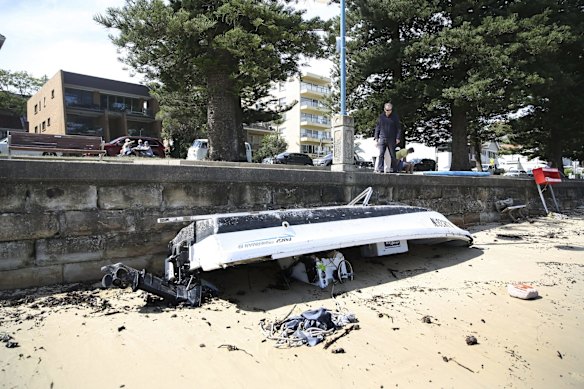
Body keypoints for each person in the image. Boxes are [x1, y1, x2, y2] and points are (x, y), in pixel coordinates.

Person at [373, 102, 401, 173]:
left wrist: (398, 138)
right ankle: (380, 168)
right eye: (387, 110)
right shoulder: (381, 117)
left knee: (393, 155)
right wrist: (376, 137)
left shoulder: (395, 117)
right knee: (381, 154)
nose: (388, 112)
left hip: (391, 138)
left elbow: (398, 128)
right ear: (384, 109)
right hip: (382, 138)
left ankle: (395, 169)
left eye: (390, 110)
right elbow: (377, 127)